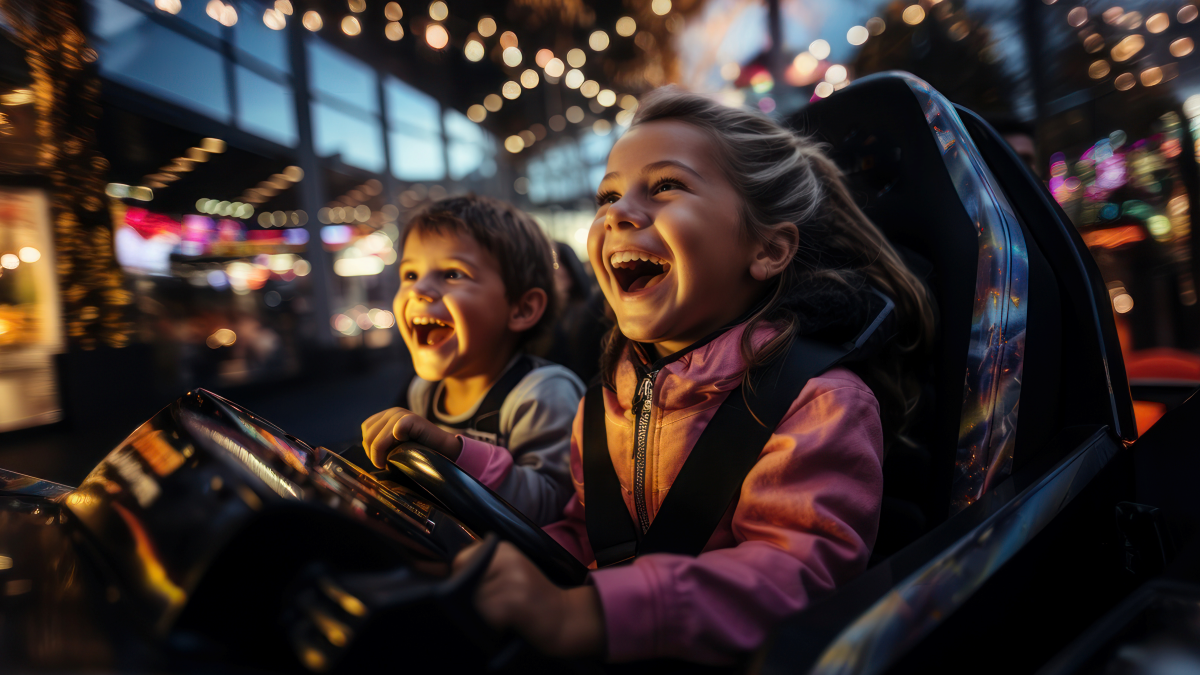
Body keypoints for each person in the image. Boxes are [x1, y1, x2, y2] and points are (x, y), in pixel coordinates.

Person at [369, 87, 935, 663]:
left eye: (666, 186)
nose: (616, 212)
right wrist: (492, 565)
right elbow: (587, 537)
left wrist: (588, 612)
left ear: (767, 248)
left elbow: (794, 574)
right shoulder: (606, 403)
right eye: (608, 195)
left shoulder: (818, 404)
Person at [358, 196, 586, 525]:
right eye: (409, 274)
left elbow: (555, 507)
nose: (419, 289)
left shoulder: (542, 394)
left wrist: (451, 453)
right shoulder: (425, 391)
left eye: (452, 273)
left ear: (521, 309)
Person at [533, 242, 609, 381]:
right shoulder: (542, 316)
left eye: (556, 263)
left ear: (571, 268)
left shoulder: (589, 314)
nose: (553, 270)